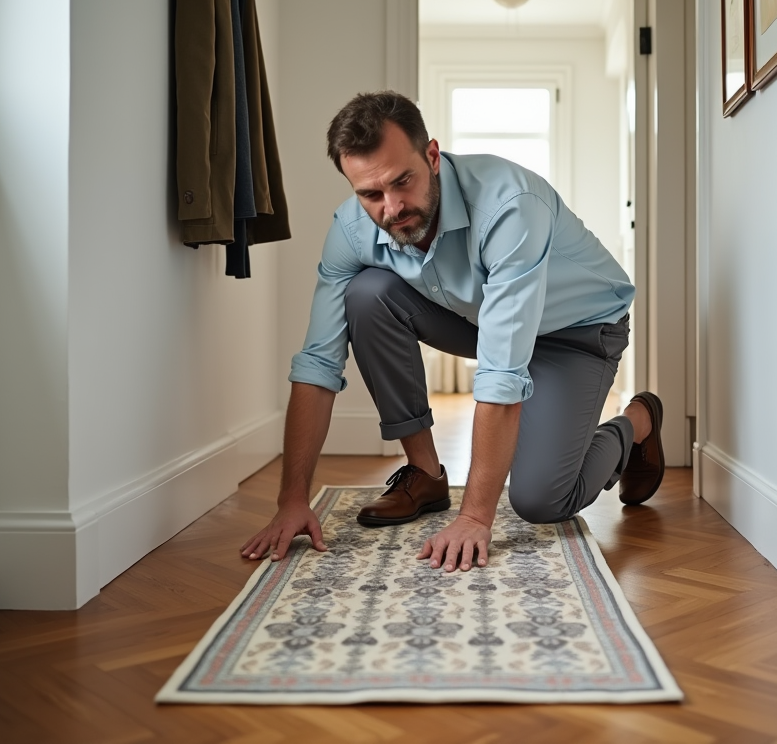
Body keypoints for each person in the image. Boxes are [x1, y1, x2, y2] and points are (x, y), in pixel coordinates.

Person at [239, 91, 667, 573]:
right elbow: (318, 363)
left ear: (432, 156)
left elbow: (501, 371)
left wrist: (476, 518)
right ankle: (424, 474)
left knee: (542, 501)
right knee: (366, 293)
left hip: (578, 334)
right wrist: (292, 498)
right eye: (370, 194)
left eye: (403, 181)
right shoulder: (352, 229)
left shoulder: (510, 205)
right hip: (480, 320)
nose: (393, 207)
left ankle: (638, 420)